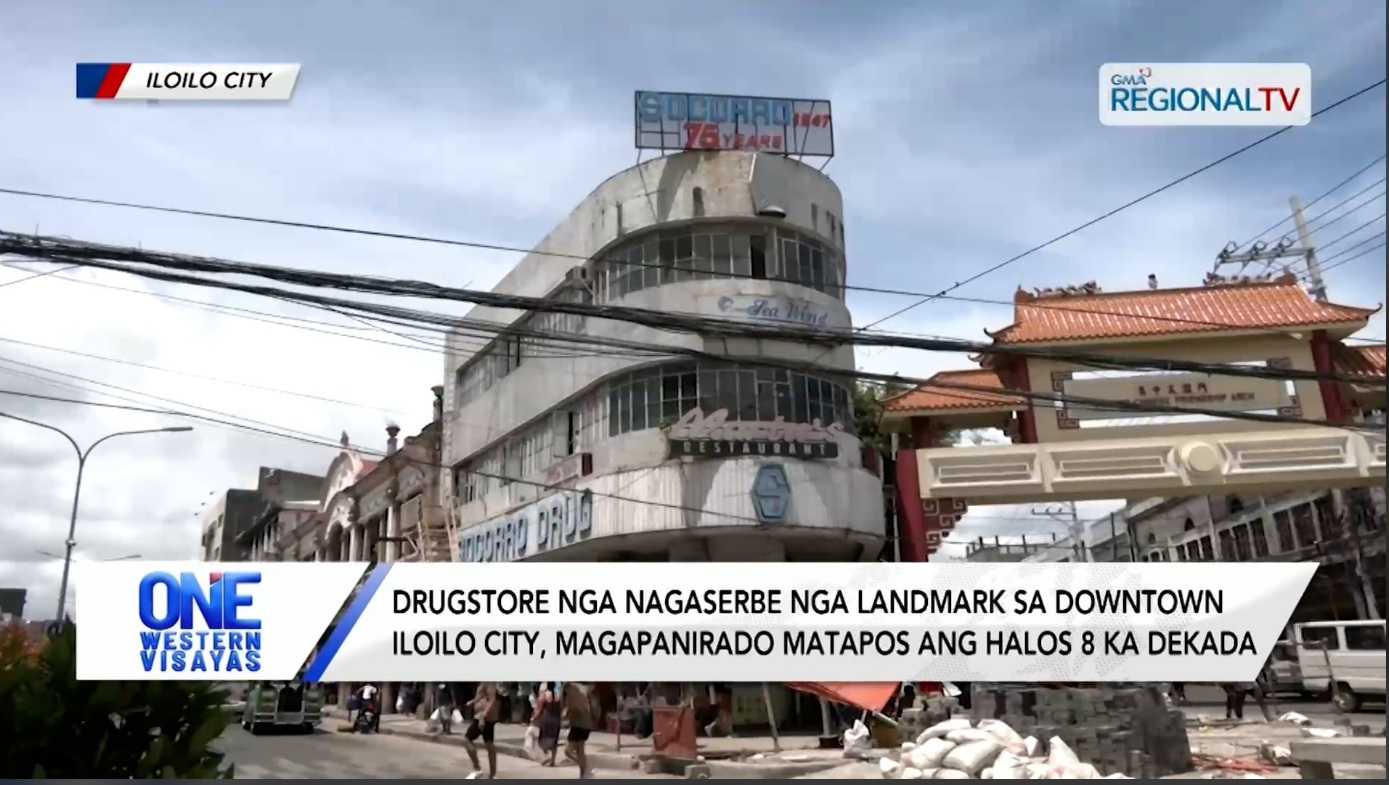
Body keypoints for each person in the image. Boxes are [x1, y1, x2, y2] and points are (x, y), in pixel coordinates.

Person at [463, 682, 499, 778]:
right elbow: (481, 696)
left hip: (483, 717)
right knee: (489, 743)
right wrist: (473, 701)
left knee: (467, 739)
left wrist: (483, 715)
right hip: (485, 716)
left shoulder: (488, 681)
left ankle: (477, 768)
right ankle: (492, 774)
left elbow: (492, 700)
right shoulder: (482, 682)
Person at [562, 681, 595, 779]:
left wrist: (565, 717)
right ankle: (584, 774)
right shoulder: (581, 689)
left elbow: (571, 707)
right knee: (580, 750)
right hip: (586, 722)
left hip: (578, 723)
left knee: (569, 751)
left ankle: (586, 768)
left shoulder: (570, 689)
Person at [532, 682, 563, 767]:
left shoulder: (544, 695)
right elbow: (562, 707)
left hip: (546, 719)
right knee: (554, 741)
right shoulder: (558, 696)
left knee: (541, 739)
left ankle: (545, 756)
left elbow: (539, 709)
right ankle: (553, 761)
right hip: (556, 720)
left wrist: (533, 718)